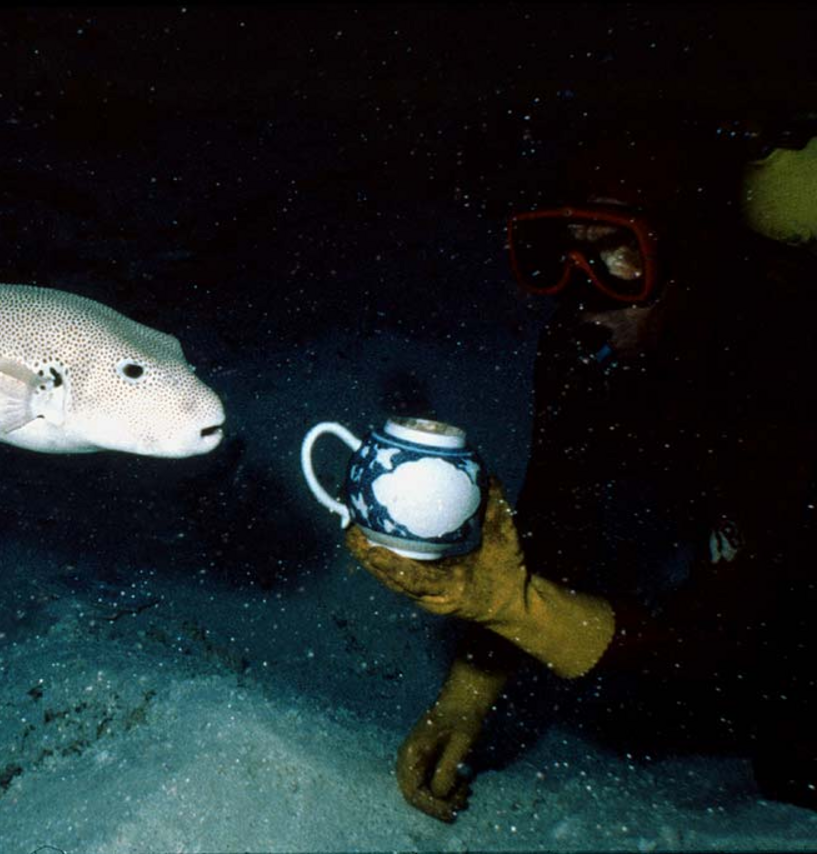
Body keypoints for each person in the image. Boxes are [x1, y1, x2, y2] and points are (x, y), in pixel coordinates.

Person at [346, 118, 817, 822]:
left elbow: (731, 632)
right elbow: (555, 521)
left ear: (690, 253)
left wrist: (520, 609)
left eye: (621, 255)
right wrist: (468, 695)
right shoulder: (581, 353)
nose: (585, 288)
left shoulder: (778, 362)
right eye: (564, 253)